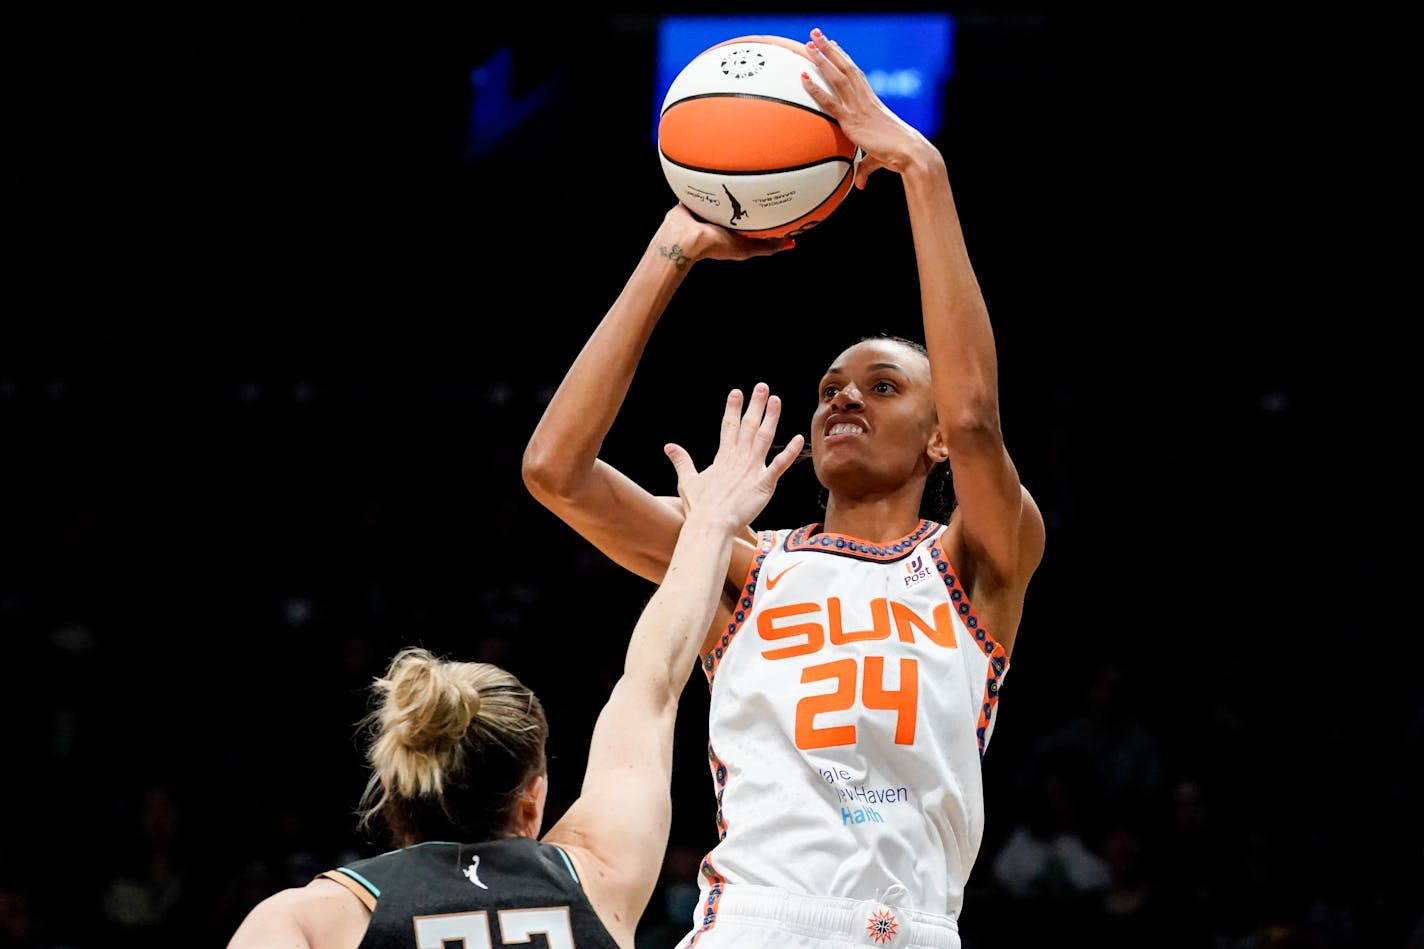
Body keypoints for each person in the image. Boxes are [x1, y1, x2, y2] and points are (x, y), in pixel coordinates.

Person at [521, 27, 1046, 949]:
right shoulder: (745, 566)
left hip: (920, 928)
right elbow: (554, 471)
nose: (844, 396)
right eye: (830, 388)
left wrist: (920, 170)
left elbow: (976, 421)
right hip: (757, 922)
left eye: (881, 386)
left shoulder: (980, 561)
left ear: (932, 444)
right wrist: (668, 254)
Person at [226, 384, 805, 949]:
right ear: (532, 801)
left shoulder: (311, 919)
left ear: (398, 790)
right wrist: (709, 525)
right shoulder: (600, 878)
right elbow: (652, 682)